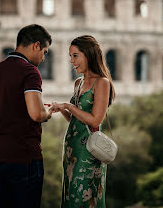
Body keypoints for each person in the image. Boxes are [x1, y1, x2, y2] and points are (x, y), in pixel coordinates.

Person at [0, 24, 54, 208]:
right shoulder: (30, 71)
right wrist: (49, 113)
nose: (43, 58)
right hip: (24, 155)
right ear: (36, 45)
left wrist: (14, 110)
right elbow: (36, 114)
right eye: (44, 52)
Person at [50, 35, 115, 208]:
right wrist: (62, 109)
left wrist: (68, 106)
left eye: (75, 56)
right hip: (72, 148)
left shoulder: (102, 83)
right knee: (71, 196)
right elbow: (76, 120)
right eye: (70, 56)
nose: (71, 61)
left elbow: (95, 120)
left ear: (88, 55)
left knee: (84, 198)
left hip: (88, 152)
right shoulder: (78, 83)